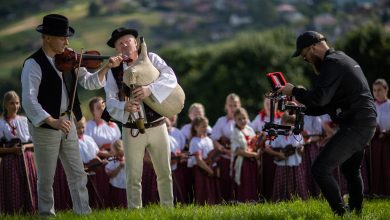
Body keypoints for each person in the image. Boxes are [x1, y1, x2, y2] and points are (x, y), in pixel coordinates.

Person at [21, 14, 119, 216]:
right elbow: (29, 100)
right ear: (47, 37)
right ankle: (47, 215)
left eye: (67, 37)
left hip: (68, 121)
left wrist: (107, 66)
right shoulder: (33, 64)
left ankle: (83, 212)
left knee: (77, 173)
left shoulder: (71, 58)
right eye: (62, 37)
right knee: (46, 178)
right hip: (45, 126)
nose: (67, 42)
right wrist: (51, 121)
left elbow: (90, 82)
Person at [279, 31, 377, 215]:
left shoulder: (332, 64)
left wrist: (295, 91)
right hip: (364, 121)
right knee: (350, 169)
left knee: (320, 169)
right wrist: (300, 108)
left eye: (304, 55)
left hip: (357, 124)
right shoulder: (340, 59)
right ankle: (355, 213)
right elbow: (325, 104)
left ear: (313, 47)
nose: (305, 60)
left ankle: (341, 213)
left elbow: (319, 99)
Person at [104, 27, 175, 208]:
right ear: (117, 49)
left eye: (127, 41)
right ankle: (135, 212)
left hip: (158, 124)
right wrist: (124, 105)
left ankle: (168, 209)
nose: (124, 45)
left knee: (164, 172)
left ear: (136, 43)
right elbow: (110, 101)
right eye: (120, 43)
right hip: (131, 129)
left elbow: (170, 77)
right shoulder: (113, 71)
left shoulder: (152, 58)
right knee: (133, 176)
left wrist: (149, 89)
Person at [0, 91, 37, 214]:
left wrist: (25, 148)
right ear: (5, 105)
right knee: (13, 188)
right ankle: (14, 213)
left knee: (29, 186)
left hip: (26, 158)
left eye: (17, 103)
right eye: (11, 103)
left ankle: (30, 211)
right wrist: (12, 150)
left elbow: (34, 143)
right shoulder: (1, 124)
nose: (15, 106)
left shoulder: (24, 120)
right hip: (9, 161)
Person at [264, 113, 308, 202]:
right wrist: (278, 154)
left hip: (295, 165)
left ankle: (298, 200)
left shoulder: (297, 134)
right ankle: (280, 200)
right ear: (282, 123)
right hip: (282, 164)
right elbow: (267, 148)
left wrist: (300, 149)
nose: (290, 126)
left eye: (292, 123)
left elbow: (301, 150)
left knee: (297, 183)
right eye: (288, 123)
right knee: (282, 184)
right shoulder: (278, 134)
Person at [210, 93, 241, 202]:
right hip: (225, 157)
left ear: (239, 106)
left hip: (240, 156)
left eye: (235, 105)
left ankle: (239, 200)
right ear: (226, 106)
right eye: (230, 105)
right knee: (225, 181)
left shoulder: (243, 120)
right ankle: (225, 201)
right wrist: (223, 150)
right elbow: (213, 139)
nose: (232, 108)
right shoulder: (221, 121)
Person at [187, 116, 221, 205]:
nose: (205, 128)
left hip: (209, 168)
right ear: (196, 127)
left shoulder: (208, 140)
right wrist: (209, 170)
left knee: (211, 189)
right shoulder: (195, 141)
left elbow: (212, 155)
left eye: (206, 126)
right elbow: (199, 160)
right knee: (203, 190)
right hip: (200, 169)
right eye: (203, 126)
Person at [230, 107, 261, 202]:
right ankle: (243, 200)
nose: (242, 121)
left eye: (244, 118)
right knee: (244, 180)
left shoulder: (249, 129)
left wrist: (260, 141)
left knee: (252, 179)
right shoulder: (235, 133)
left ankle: (253, 199)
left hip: (251, 160)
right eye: (239, 119)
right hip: (242, 161)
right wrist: (253, 155)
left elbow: (253, 144)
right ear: (235, 120)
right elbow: (238, 151)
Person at [369, 78, 390, 196]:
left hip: (388, 141)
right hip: (374, 142)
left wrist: (386, 132)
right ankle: (376, 192)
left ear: (386, 90)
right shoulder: (371, 107)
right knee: (375, 168)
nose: (377, 93)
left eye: (379, 90)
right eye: (374, 90)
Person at [105, 140, 127, 208]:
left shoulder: (128, 160)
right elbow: (110, 175)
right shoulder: (112, 161)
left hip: (126, 186)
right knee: (116, 205)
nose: (121, 157)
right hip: (116, 186)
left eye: (122, 155)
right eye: (118, 155)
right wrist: (119, 167)